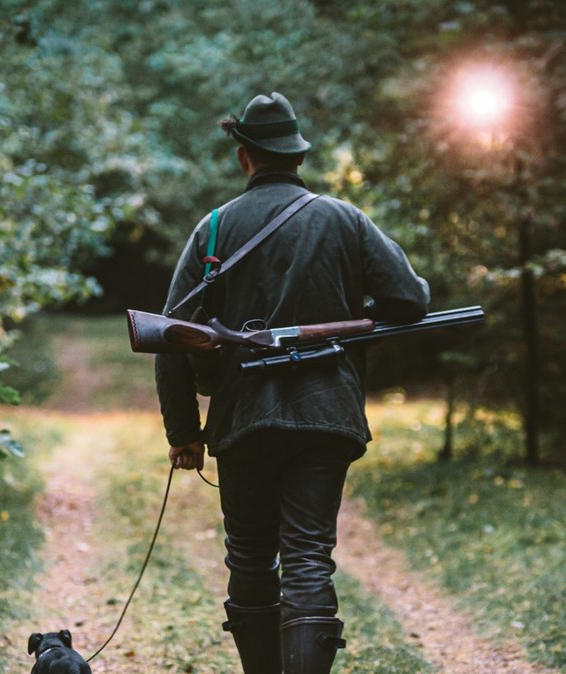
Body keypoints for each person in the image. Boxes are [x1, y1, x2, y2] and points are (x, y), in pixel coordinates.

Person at [154, 92, 429, 674]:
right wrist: (351, 304)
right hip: (326, 417)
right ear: (298, 155)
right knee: (309, 557)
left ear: (243, 157)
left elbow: (168, 338)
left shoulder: (213, 230)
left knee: (251, 557)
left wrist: (183, 431)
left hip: (242, 419)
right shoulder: (345, 220)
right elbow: (411, 299)